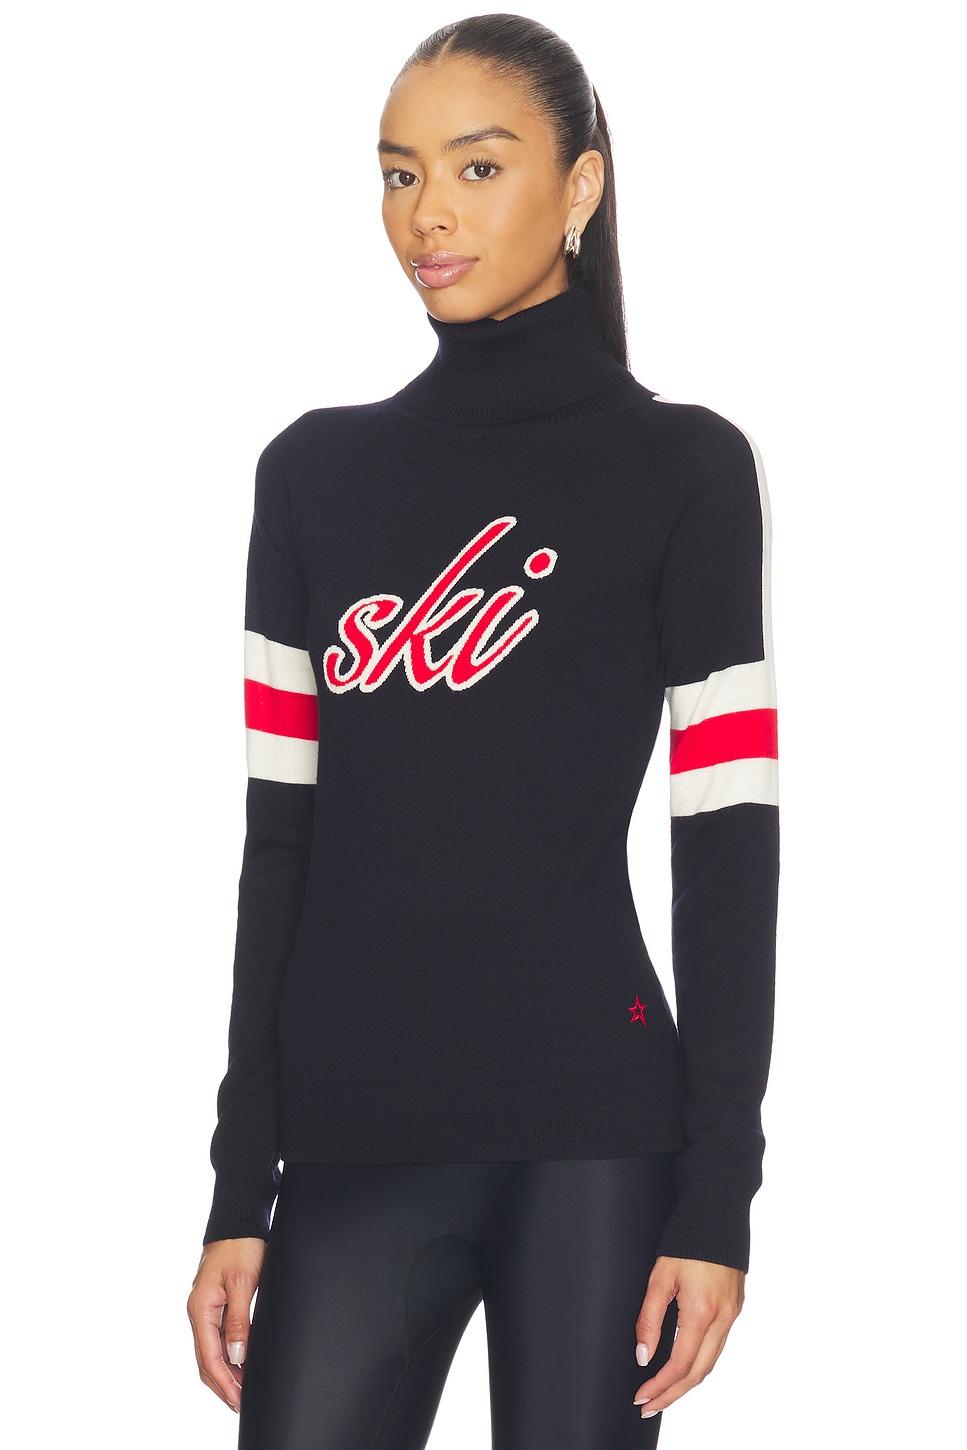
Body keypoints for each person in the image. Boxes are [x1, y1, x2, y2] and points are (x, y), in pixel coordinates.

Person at [186, 16, 780, 1448]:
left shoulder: (683, 469)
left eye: (477, 165)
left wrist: (717, 1196)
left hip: (594, 1138)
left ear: (580, 186)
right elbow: (281, 844)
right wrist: (238, 1186)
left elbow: (728, 845)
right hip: (352, 1140)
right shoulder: (312, 475)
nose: (428, 214)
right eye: (399, 174)